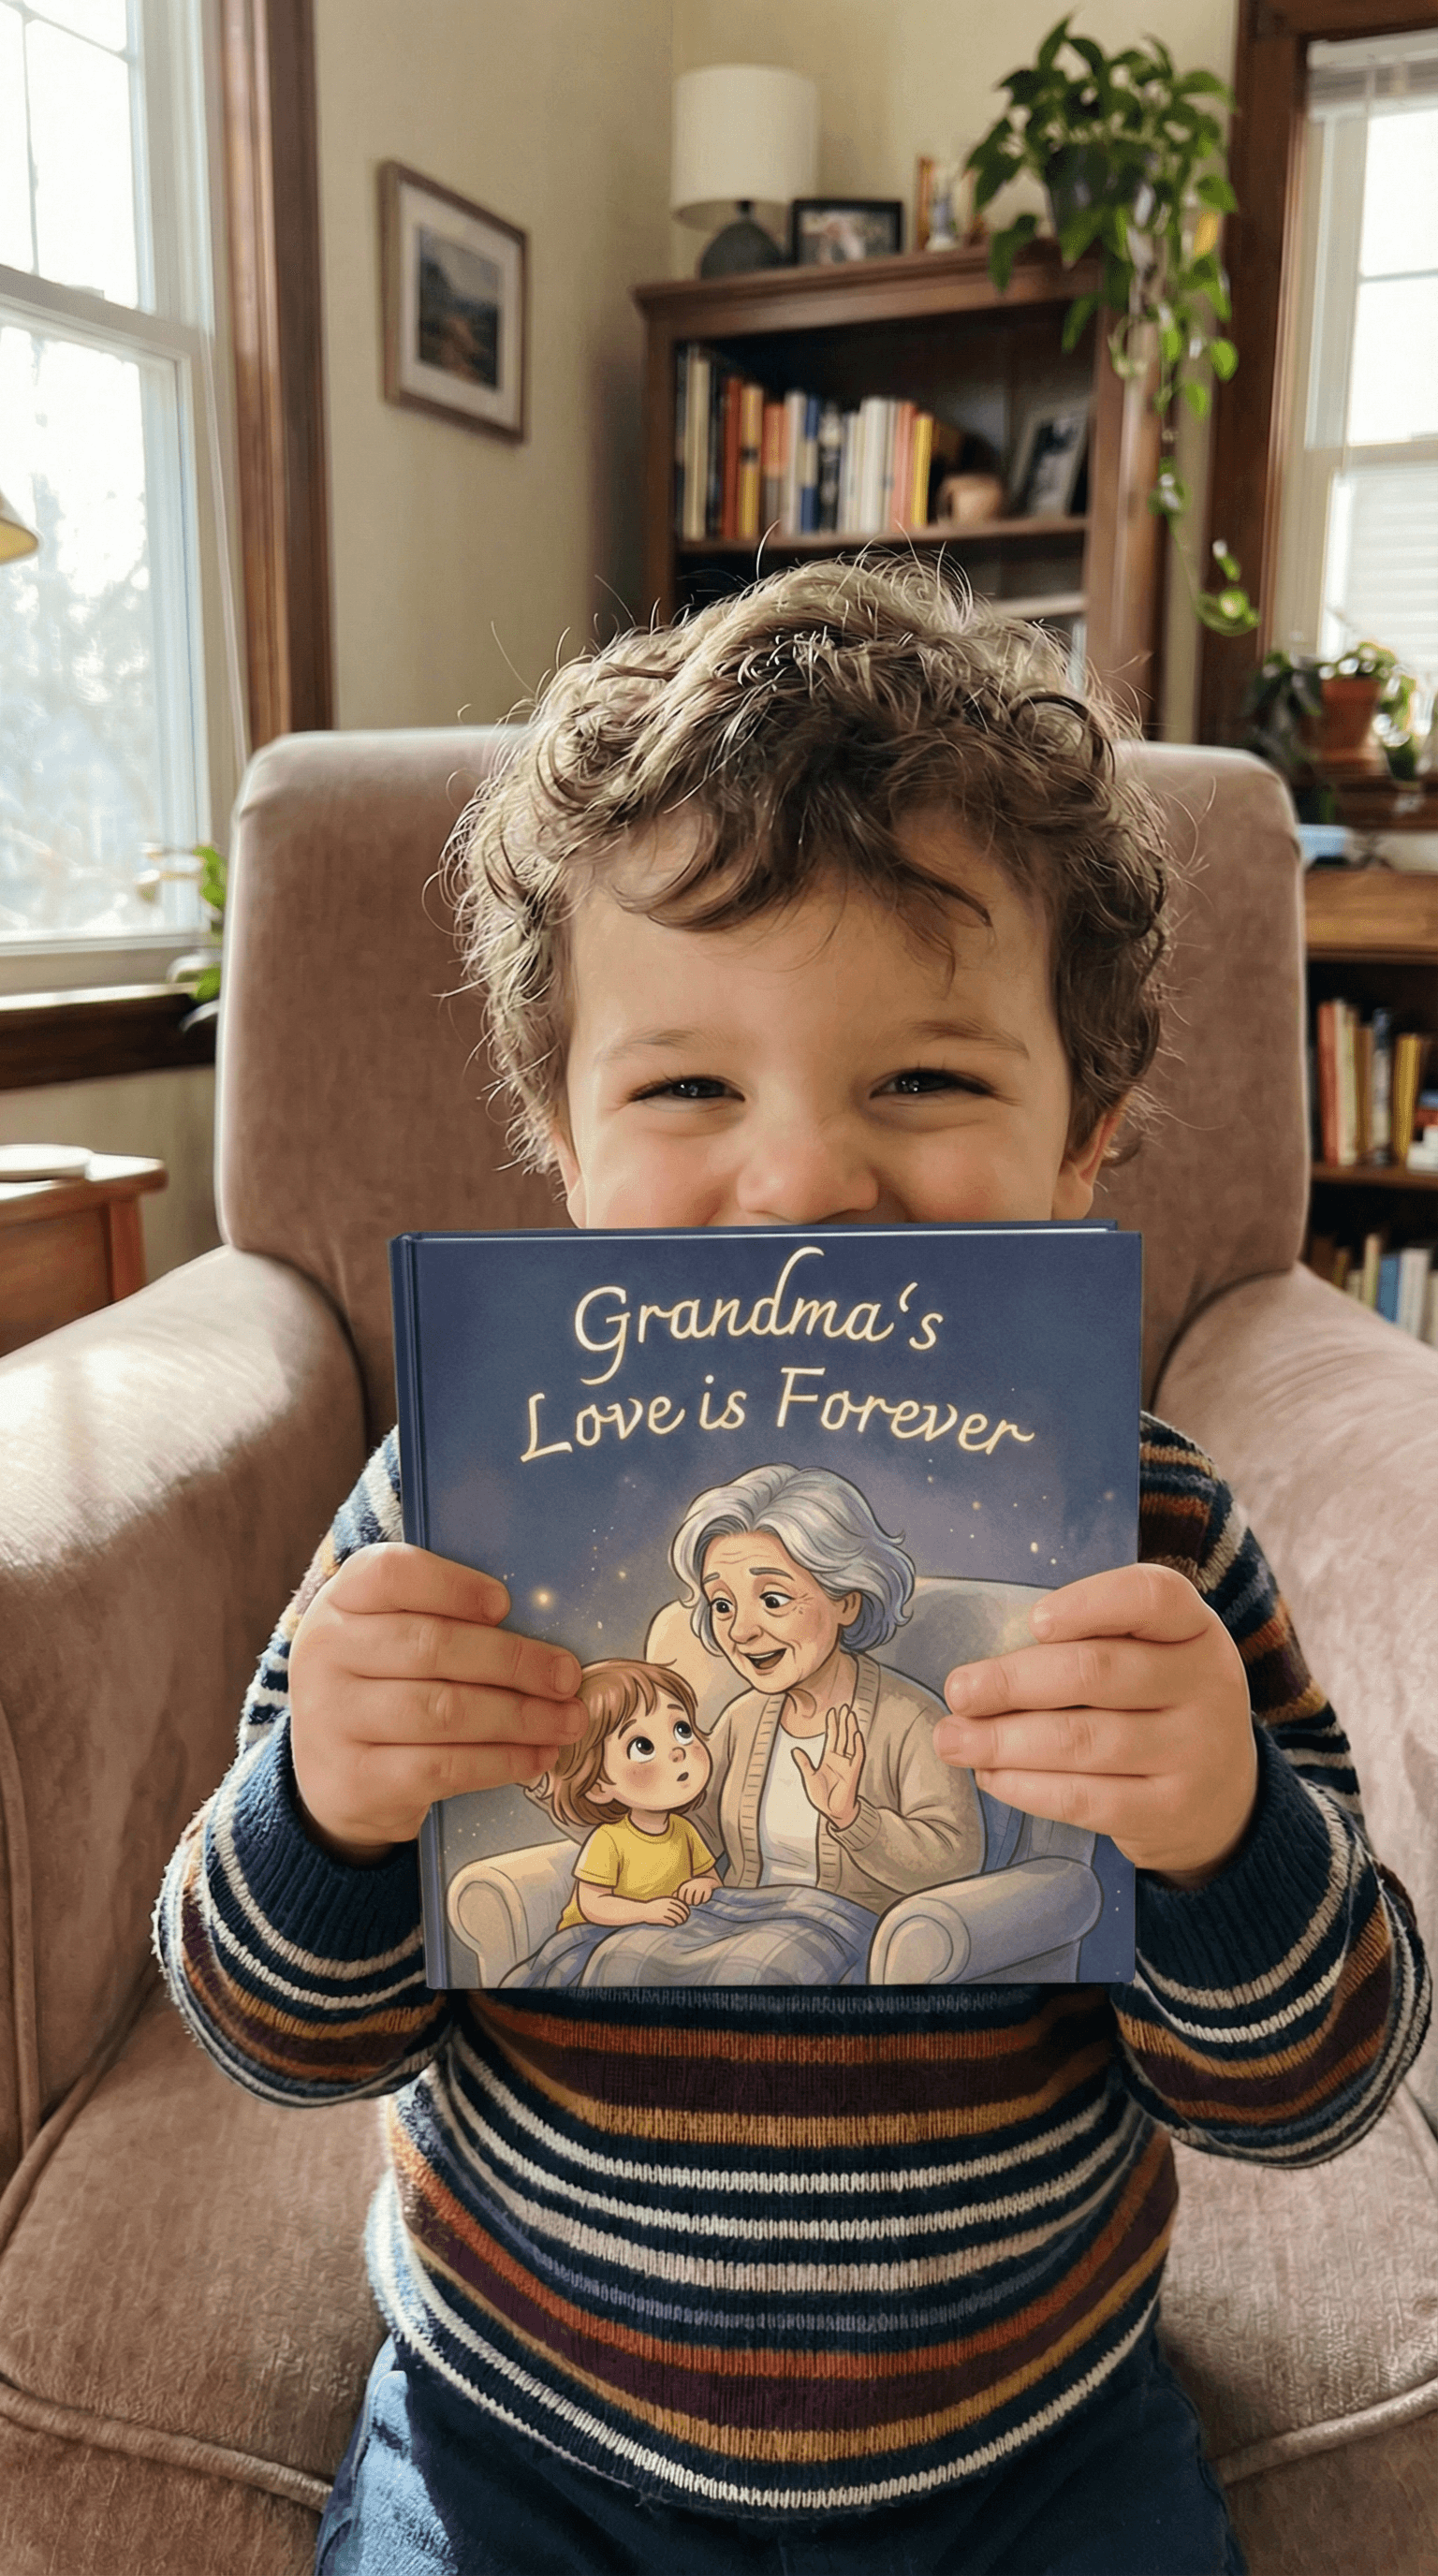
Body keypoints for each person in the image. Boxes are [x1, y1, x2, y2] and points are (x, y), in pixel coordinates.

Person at [154, 559, 1430, 2576]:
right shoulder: (445, 1514)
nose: (805, 1182)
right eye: (685, 1086)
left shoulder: (1152, 1540)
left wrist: (1222, 1834)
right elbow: (265, 2028)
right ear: (562, 1138)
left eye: (926, 1079)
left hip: (1034, 2444)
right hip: (522, 2435)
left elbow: (1320, 2082)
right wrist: (322, 1804)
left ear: (1085, 1135)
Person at [671, 1460, 983, 1903]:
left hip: (844, 1929)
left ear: (847, 1603)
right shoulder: (742, 1720)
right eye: (722, 1605)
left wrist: (852, 1818)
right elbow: (692, 1830)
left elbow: (957, 1863)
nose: (740, 1631)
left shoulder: (911, 1719)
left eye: (773, 1599)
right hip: (738, 1914)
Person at [532, 1657, 720, 1929]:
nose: (677, 1752)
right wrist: (645, 1911)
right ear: (598, 1786)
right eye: (643, 1746)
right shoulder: (608, 1840)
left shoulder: (684, 1830)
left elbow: (713, 1879)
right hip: (597, 1934)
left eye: (682, 1730)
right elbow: (593, 1905)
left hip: (663, 1930)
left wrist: (703, 1885)